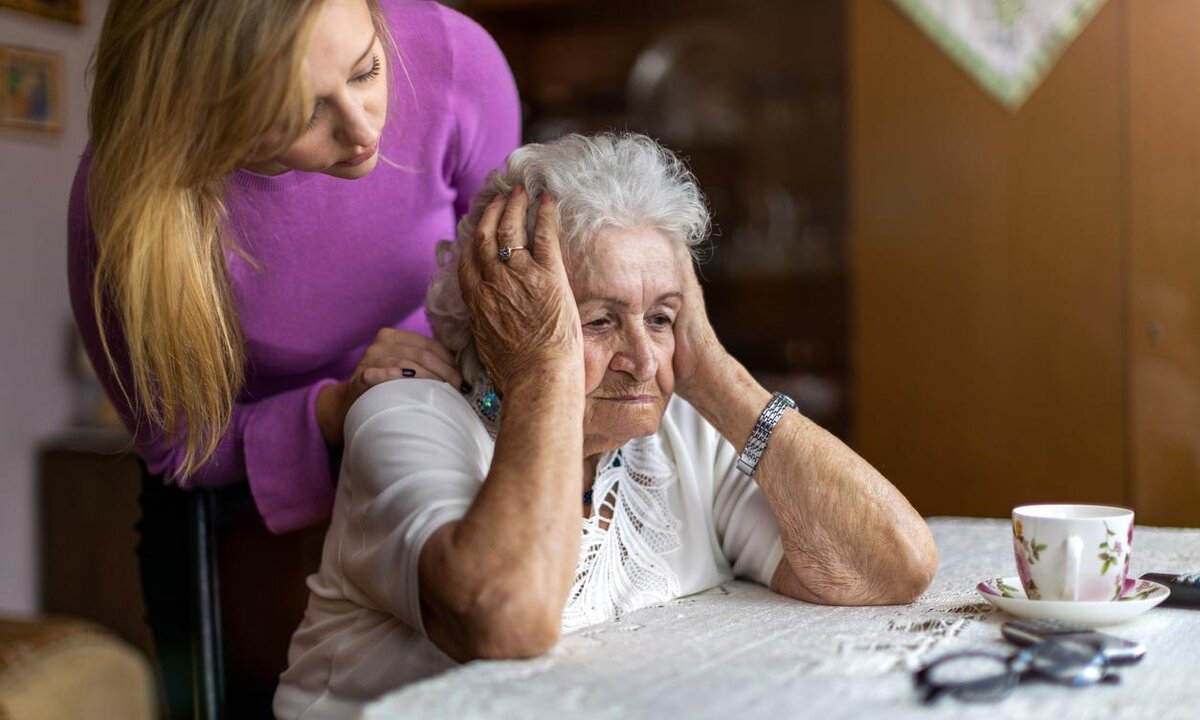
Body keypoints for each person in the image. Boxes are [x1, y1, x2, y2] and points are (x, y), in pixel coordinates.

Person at [274, 133, 939, 718]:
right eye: (597, 321)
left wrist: (712, 370)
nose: (645, 359)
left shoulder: (677, 428)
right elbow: (504, 619)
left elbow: (893, 567)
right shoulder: (408, 413)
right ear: (506, 317)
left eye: (660, 317)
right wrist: (544, 367)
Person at [68, 0, 519, 533]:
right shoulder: (125, 211)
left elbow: (503, 275)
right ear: (201, 118)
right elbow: (178, 447)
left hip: (443, 436)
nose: (362, 132)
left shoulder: (452, 57)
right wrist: (338, 406)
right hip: (239, 507)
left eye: (367, 71)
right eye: (299, 115)